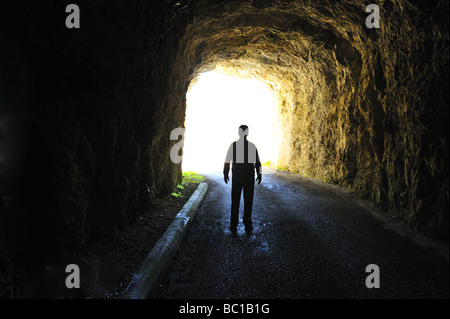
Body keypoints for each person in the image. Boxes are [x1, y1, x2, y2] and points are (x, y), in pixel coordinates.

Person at [223, 125, 262, 233]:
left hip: (237, 177)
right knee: (248, 200)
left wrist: (226, 173)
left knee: (235, 200)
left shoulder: (234, 145)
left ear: (239, 133)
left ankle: (234, 224)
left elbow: (227, 160)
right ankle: (247, 223)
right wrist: (259, 174)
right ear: (247, 133)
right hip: (249, 177)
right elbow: (257, 162)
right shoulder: (251, 146)